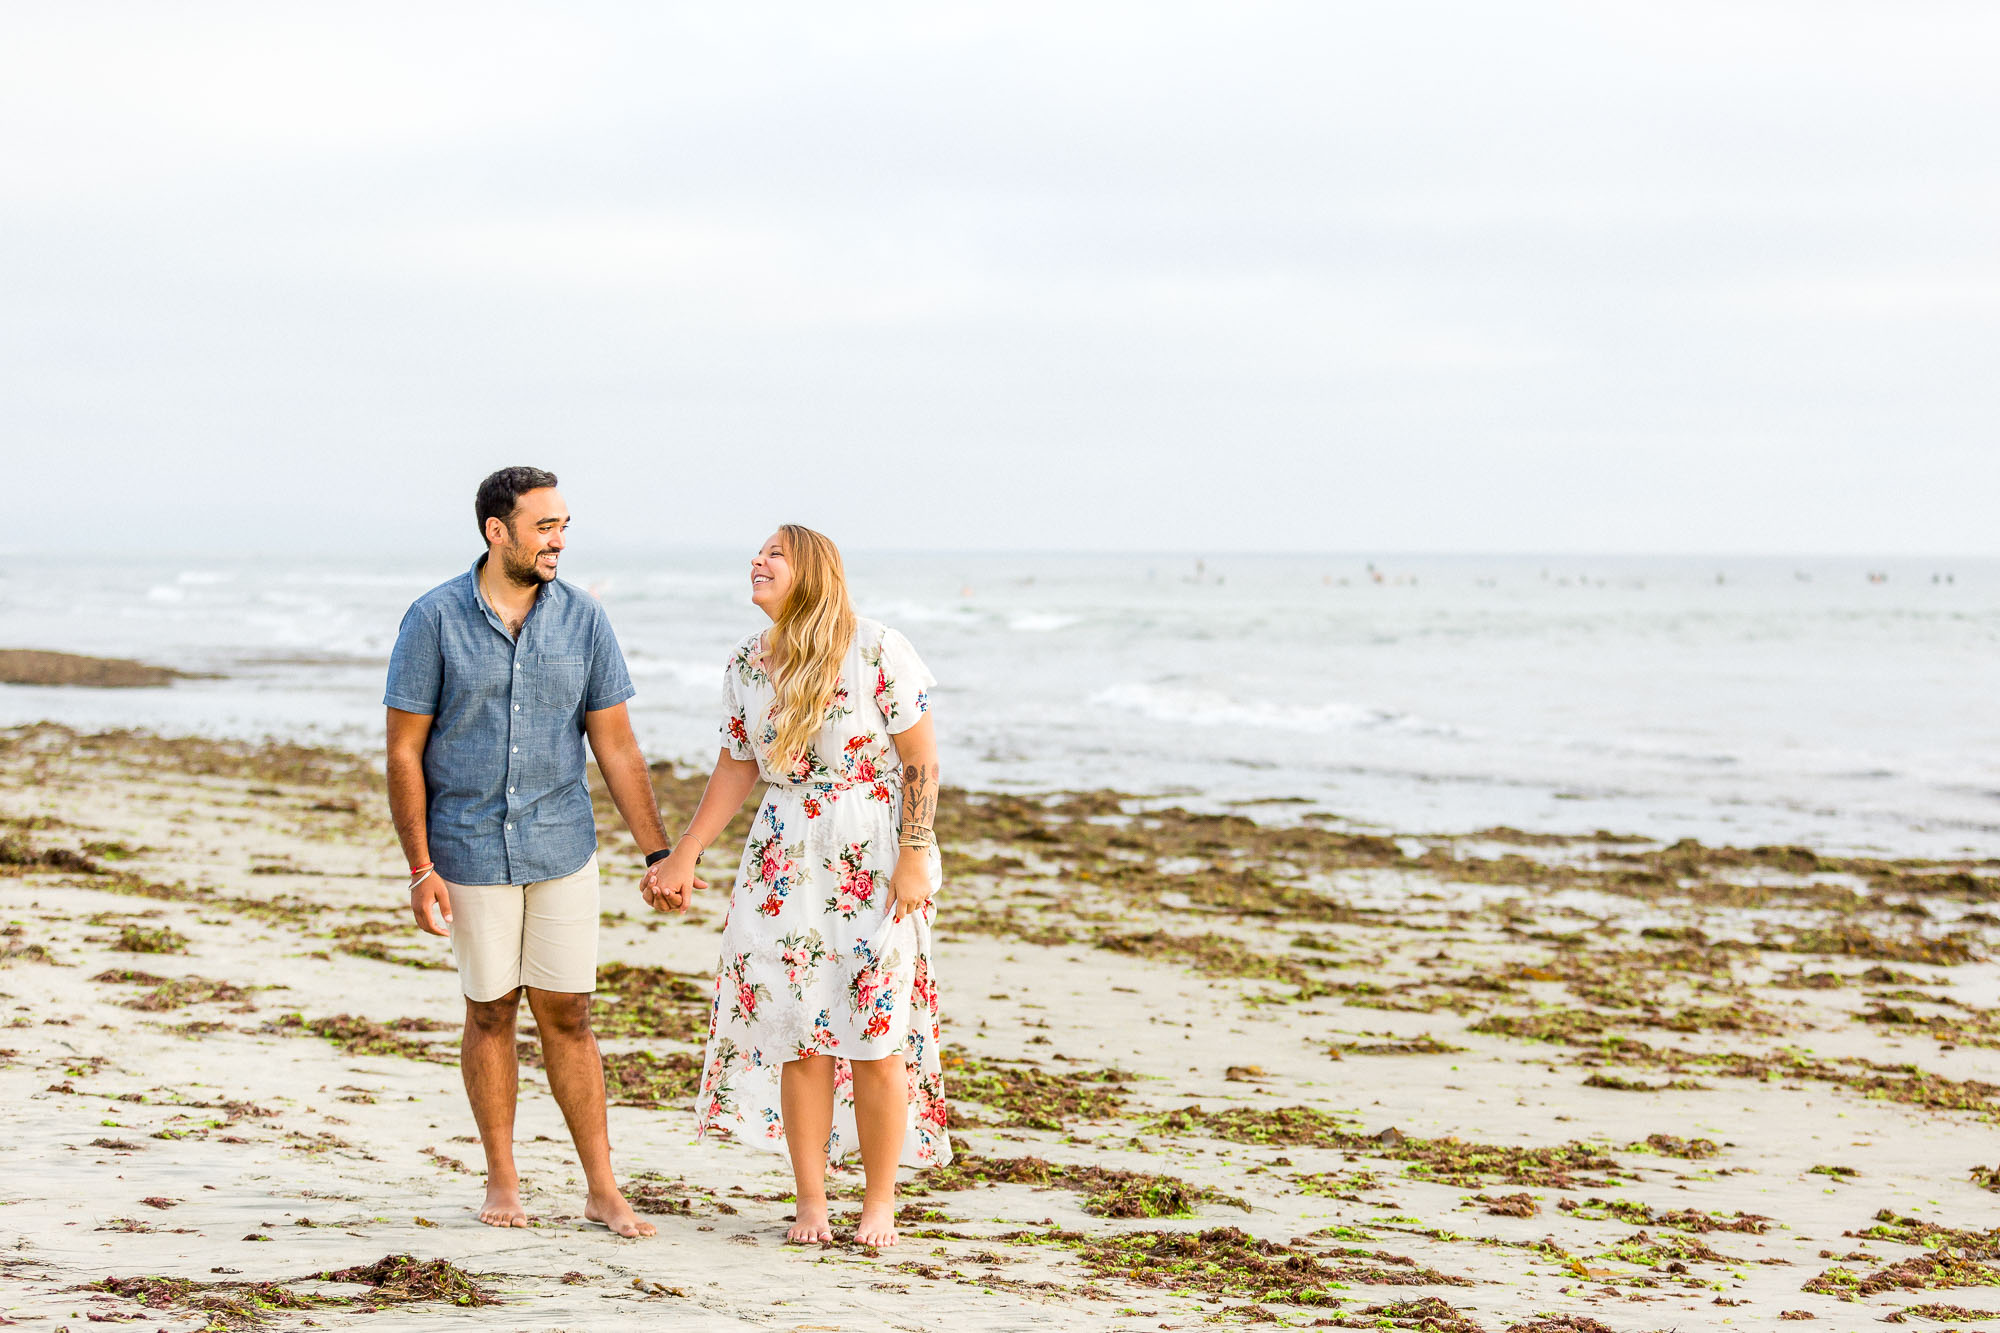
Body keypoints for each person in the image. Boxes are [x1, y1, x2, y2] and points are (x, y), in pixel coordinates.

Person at [383, 466, 672, 1237]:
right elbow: (404, 752)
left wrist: (658, 853)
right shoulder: (433, 619)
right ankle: (503, 1177)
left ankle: (602, 1187)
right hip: (468, 848)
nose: (559, 540)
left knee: (570, 1012)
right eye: (545, 526)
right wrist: (419, 867)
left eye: (564, 525)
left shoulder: (585, 620)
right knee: (488, 1012)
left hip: (562, 845)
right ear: (496, 530)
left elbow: (615, 743)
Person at [644, 524, 950, 1248]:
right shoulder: (749, 664)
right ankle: (811, 1199)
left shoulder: (876, 647)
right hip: (783, 858)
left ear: (811, 570)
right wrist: (685, 852)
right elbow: (737, 766)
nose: (757, 561)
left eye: (774, 553)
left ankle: (879, 1201)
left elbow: (921, 760)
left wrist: (913, 852)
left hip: (870, 852)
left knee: (877, 1033)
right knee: (800, 1033)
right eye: (757, 553)